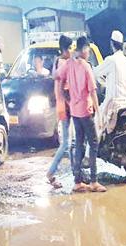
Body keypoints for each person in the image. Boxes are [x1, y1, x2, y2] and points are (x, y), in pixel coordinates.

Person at [55, 36, 106, 193]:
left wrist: (66, 99)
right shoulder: (85, 66)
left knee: (79, 145)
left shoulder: (68, 63)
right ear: (84, 49)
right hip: (85, 111)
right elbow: (93, 91)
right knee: (94, 143)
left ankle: (77, 182)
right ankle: (94, 181)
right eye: (88, 51)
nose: (89, 54)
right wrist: (99, 113)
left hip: (75, 112)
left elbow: (57, 77)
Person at [48, 35, 74, 189]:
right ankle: (50, 173)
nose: (72, 51)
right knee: (65, 143)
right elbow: (66, 89)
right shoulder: (64, 63)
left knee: (69, 142)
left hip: (62, 106)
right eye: (70, 48)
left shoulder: (58, 61)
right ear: (65, 49)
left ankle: (76, 173)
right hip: (65, 107)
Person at [94, 30, 126, 136]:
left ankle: (92, 152)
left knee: (96, 125)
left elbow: (95, 73)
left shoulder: (111, 60)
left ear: (112, 44)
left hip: (113, 106)